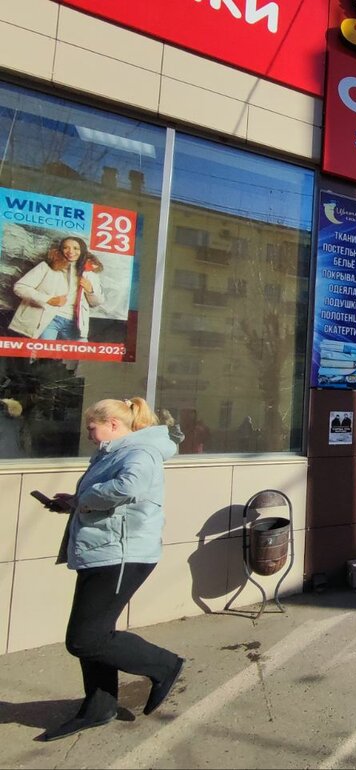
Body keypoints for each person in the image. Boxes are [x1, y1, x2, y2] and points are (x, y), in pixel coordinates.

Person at [40, 396, 184, 742]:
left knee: (85, 639)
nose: (89, 435)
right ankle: (99, 706)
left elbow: (129, 487)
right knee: (96, 633)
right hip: (102, 551)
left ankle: (164, 664)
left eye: (93, 428)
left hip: (121, 554)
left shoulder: (139, 451)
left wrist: (83, 500)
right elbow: (107, 497)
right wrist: (72, 504)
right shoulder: (114, 452)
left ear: (114, 424)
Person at [8, 235, 104, 341]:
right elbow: (20, 287)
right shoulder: (46, 267)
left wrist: (90, 290)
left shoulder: (90, 273)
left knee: (81, 350)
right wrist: (48, 299)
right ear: (61, 250)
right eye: (66, 247)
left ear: (82, 251)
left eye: (76, 248)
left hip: (76, 322)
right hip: (48, 318)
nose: (70, 251)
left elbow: (97, 302)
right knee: (45, 350)